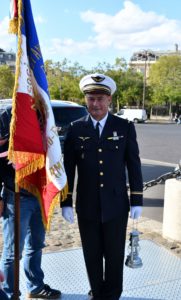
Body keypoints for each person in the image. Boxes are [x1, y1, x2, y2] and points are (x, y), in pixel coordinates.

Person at [61, 73, 143, 300]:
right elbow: (69, 169)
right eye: (91, 99)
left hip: (116, 204)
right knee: (92, 254)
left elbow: (134, 165)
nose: (95, 104)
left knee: (115, 255)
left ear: (109, 101)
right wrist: (66, 201)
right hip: (87, 205)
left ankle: (112, 295)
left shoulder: (124, 127)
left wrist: (137, 199)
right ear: (85, 100)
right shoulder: (76, 129)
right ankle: (97, 294)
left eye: (100, 98)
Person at [0, 108, 61, 299]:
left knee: (36, 244)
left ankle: (35, 286)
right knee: (12, 252)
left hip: (39, 194)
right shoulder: (10, 115)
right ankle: (9, 292)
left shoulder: (45, 111)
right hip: (15, 196)